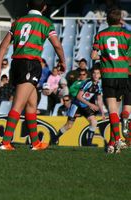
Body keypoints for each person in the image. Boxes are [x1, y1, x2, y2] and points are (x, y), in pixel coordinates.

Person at [0, 0, 66, 150]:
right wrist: (63, 61)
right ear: (44, 7)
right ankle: (5, 142)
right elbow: (56, 44)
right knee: (18, 105)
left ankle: (35, 142)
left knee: (32, 105)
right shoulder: (45, 23)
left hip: (17, 64)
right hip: (30, 64)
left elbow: (4, 44)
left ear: (27, 5)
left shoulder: (19, 21)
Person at [91, 8, 130, 153]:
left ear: (107, 20)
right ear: (120, 20)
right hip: (123, 76)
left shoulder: (101, 34)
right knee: (117, 109)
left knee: (112, 110)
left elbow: (93, 55)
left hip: (108, 75)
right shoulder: (128, 35)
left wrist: (104, 57)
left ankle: (117, 140)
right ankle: (113, 144)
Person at [52, 67, 105, 146]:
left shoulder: (99, 85)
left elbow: (99, 99)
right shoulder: (88, 82)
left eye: (97, 73)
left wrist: (103, 112)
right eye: (94, 73)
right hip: (76, 105)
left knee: (94, 122)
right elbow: (79, 97)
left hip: (85, 105)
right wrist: (91, 104)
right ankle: (54, 139)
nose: (95, 75)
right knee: (69, 125)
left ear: (100, 75)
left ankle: (89, 144)